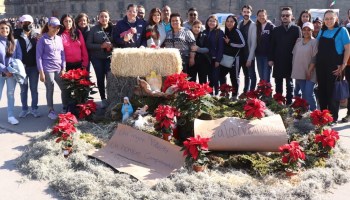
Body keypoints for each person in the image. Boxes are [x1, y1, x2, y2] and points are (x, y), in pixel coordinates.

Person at [316, 10, 350, 125]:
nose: (329, 21)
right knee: (322, 91)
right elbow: (316, 46)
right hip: (321, 66)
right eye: (326, 19)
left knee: (333, 92)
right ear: (324, 20)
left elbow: (348, 49)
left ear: (336, 19)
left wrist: (343, 64)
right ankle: (322, 116)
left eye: (331, 18)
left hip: (335, 67)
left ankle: (333, 118)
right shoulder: (322, 31)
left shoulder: (342, 30)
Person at [36, 17, 68, 120]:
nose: (56, 29)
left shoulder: (59, 38)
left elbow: (62, 54)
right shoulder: (42, 39)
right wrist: (41, 72)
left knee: (64, 87)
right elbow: (39, 57)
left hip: (58, 68)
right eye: (54, 27)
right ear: (49, 26)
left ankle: (64, 107)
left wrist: (64, 68)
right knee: (50, 89)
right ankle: (51, 109)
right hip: (47, 68)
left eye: (58, 27)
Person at [269, 7, 301, 105]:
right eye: (283, 15)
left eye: (287, 15)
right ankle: (279, 102)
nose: (285, 17)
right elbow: (272, 45)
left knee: (289, 84)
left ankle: (289, 102)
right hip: (278, 60)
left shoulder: (296, 29)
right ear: (281, 17)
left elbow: (299, 45)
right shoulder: (276, 30)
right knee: (278, 83)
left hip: (291, 61)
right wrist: (271, 59)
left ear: (291, 17)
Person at [15, 14, 41, 118]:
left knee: (34, 89)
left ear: (32, 23)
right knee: (23, 90)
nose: (27, 25)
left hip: (34, 67)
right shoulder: (16, 35)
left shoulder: (36, 36)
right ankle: (24, 109)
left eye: (29, 23)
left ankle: (34, 109)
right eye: (24, 23)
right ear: (21, 24)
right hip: (22, 68)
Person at [86, 10, 113, 109]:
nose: (104, 18)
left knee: (109, 78)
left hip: (109, 57)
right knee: (100, 78)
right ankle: (103, 99)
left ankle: (111, 97)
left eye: (106, 16)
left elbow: (118, 41)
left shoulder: (113, 28)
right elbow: (88, 44)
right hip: (97, 58)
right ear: (98, 18)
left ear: (109, 17)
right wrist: (101, 46)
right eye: (101, 16)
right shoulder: (93, 29)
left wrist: (112, 46)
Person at [291, 22, 318, 111]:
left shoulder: (315, 42)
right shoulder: (298, 41)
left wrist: (309, 71)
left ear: (312, 31)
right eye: (304, 29)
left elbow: (314, 58)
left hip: (310, 72)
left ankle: (314, 113)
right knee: (304, 94)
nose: (306, 31)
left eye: (309, 30)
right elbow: (295, 55)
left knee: (309, 93)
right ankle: (307, 112)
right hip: (299, 71)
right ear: (302, 30)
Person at [0, 20, 22, 125]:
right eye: (2, 28)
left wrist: (12, 70)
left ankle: (11, 116)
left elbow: (19, 57)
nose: (4, 30)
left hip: (12, 74)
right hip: (1, 73)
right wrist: (5, 70)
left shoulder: (15, 42)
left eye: (6, 28)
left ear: (10, 29)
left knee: (10, 95)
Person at [220, 15, 245, 100]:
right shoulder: (226, 31)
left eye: (231, 21)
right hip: (225, 58)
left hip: (235, 59)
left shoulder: (237, 31)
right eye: (228, 21)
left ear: (235, 23)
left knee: (234, 77)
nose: (229, 23)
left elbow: (242, 44)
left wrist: (230, 42)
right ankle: (225, 92)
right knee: (221, 75)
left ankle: (234, 95)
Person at [238, 5, 257, 94]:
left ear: (251, 13)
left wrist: (250, 58)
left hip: (248, 54)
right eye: (244, 12)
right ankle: (242, 92)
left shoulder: (253, 25)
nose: (246, 14)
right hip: (240, 54)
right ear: (242, 13)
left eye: (248, 12)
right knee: (242, 75)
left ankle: (249, 93)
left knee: (249, 75)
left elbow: (254, 43)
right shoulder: (240, 23)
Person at [204, 15, 224, 96]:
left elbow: (221, 47)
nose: (211, 23)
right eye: (210, 21)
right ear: (207, 22)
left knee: (215, 78)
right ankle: (210, 93)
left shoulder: (219, 32)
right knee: (210, 78)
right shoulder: (205, 32)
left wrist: (218, 60)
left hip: (215, 59)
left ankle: (216, 94)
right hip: (207, 59)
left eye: (213, 21)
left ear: (216, 23)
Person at [255, 9, 275, 83]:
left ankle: (267, 93)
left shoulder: (271, 26)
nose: (261, 17)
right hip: (258, 55)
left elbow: (273, 43)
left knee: (266, 75)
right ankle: (262, 91)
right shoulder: (256, 26)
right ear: (257, 17)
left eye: (263, 15)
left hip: (267, 56)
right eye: (259, 16)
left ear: (266, 16)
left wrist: (271, 58)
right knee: (261, 75)